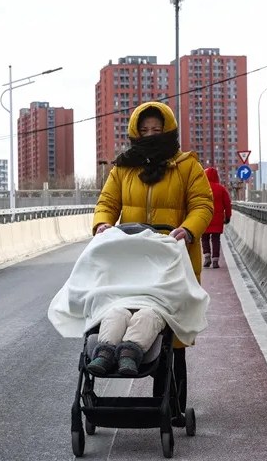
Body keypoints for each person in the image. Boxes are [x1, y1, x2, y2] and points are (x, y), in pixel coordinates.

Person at [87, 102, 213, 379]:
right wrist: (102, 223)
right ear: (136, 133)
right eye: (145, 130)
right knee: (122, 307)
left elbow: (203, 205)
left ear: (168, 130)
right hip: (131, 258)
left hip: (171, 258)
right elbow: (107, 201)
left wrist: (188, 229)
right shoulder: (123, 168)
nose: (151, 135)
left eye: (157, 129)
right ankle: (110, 353)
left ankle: (173, 403)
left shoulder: (187, 166)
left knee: (170, 334)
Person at [202, 166, 232, 269]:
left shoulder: (202, 188)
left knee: (204, 238)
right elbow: (227, 204)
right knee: (216, 239)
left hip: (204, 217)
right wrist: (227, 217)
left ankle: (207, 257)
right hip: (218, 218)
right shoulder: (221, 189)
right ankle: (215, 260)